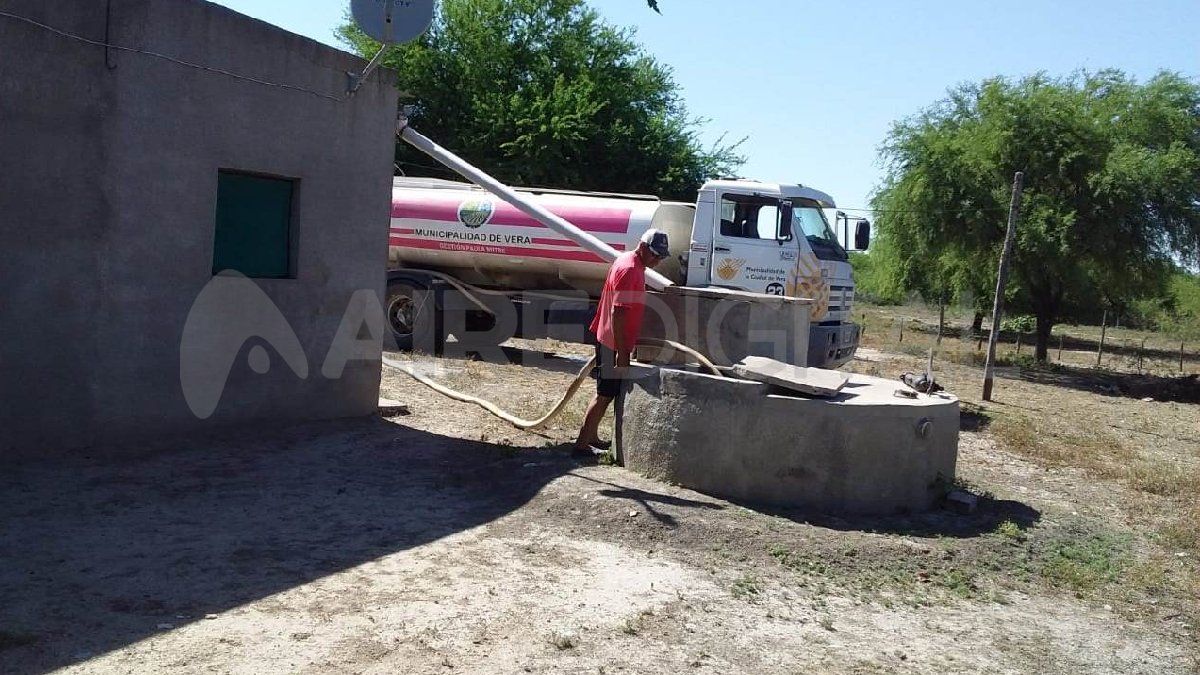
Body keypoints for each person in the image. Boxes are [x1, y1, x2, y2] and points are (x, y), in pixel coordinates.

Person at [574, 228, 670, 457]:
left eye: (661, 257)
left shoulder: (630, 263)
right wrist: (622, 352)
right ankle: (580, 446)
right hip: (612, 342)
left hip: (610, 338)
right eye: (655, 255)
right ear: (643, 247)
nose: (658, 261)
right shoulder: (629, 269)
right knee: (604, 394)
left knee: (605, 393)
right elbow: (619, 313)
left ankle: (591, 436)